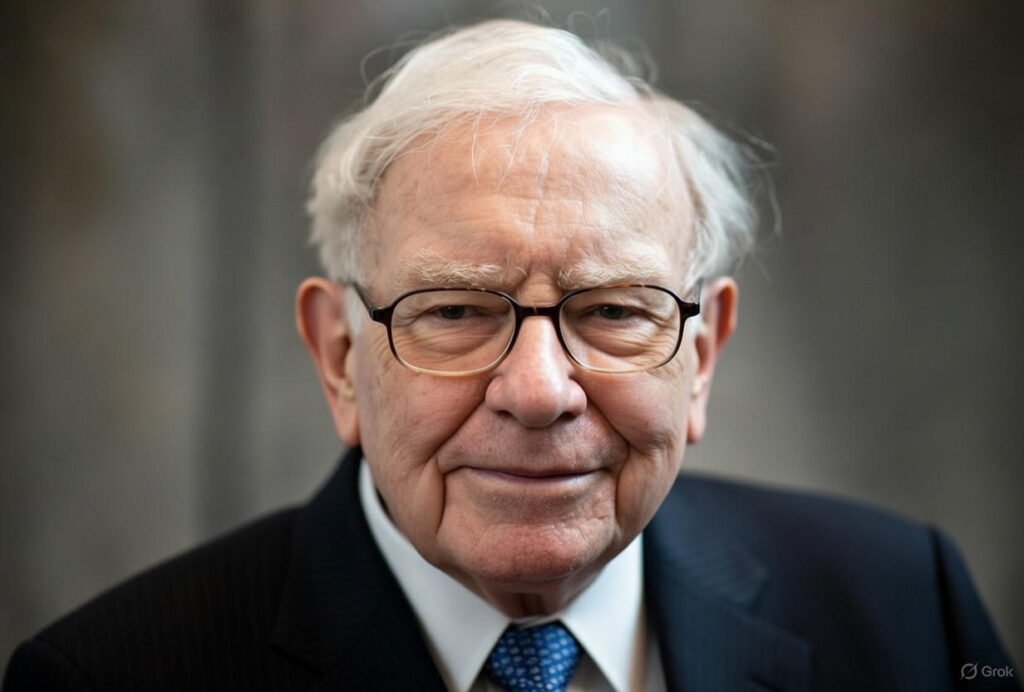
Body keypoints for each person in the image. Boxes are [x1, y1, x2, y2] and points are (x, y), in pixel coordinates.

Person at [4, 18, 1017, 692]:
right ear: (339, 357)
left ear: (701, 354)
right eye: (454, 311)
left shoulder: (906, 610)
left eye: (613, 310)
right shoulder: (107, 678)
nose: (538, 391)